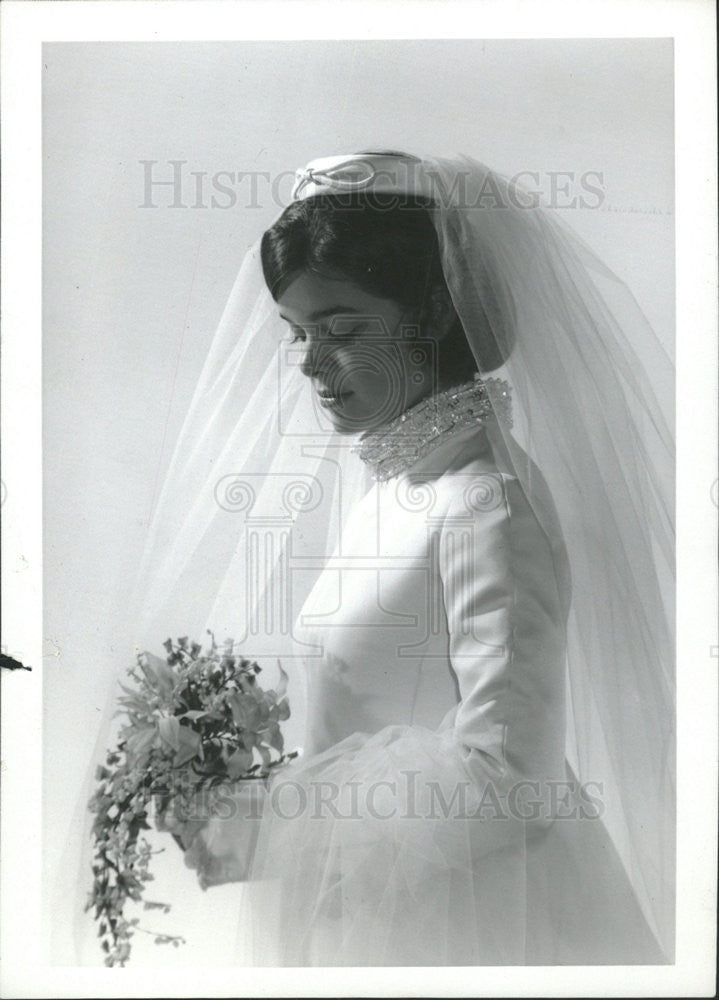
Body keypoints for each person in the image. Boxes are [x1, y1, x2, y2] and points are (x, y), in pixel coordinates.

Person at [128, 153, 676, 966]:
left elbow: (511, 776)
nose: (311, 366)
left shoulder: (483, 503)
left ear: (431, 318)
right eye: (299, 335)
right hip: (368, 913)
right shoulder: (393, 486)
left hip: (467, 926)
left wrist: (261, 827)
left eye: (343, 331)